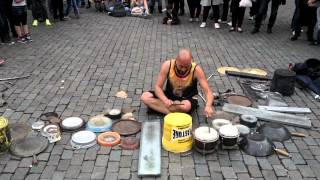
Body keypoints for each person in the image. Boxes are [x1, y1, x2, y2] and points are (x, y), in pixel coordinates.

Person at [140, 49, 215, 118]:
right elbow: (158, 87)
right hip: (169, 96)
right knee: (145, 97)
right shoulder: (167, 65)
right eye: (181, 66)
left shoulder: (196, 70)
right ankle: (172, 114)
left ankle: (158, 107)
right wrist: (165, 100)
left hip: (187, 99)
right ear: (176, 60)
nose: (183, 69)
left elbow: (208, 91)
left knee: (185, 107)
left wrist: (208, 106)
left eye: (187, 66)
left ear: (191, 62)